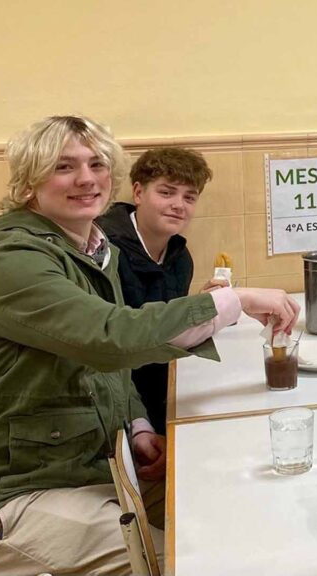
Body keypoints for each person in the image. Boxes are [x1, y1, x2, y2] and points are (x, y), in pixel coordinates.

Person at [0, 116, 299, 575]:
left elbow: (106, 365)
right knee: (185, 560)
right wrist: (233, 300)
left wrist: (136, 425)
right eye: (63, 167)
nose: (86, 178)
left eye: (97, 164)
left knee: (226, 495)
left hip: (86, 466)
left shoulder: (92, 249)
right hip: (11, 492)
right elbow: (113, 338)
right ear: (28, 183)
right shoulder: (12, 260)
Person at [97, 147, 214, 434]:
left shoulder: (180, 258)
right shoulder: (103, 251)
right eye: (166, 192)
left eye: (189, 197)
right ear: (138, 193)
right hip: (118, 409)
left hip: (163, 394)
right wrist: (140, 425)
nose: (179, 205)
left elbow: (166, 332)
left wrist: (200, 306)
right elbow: (106, 346)